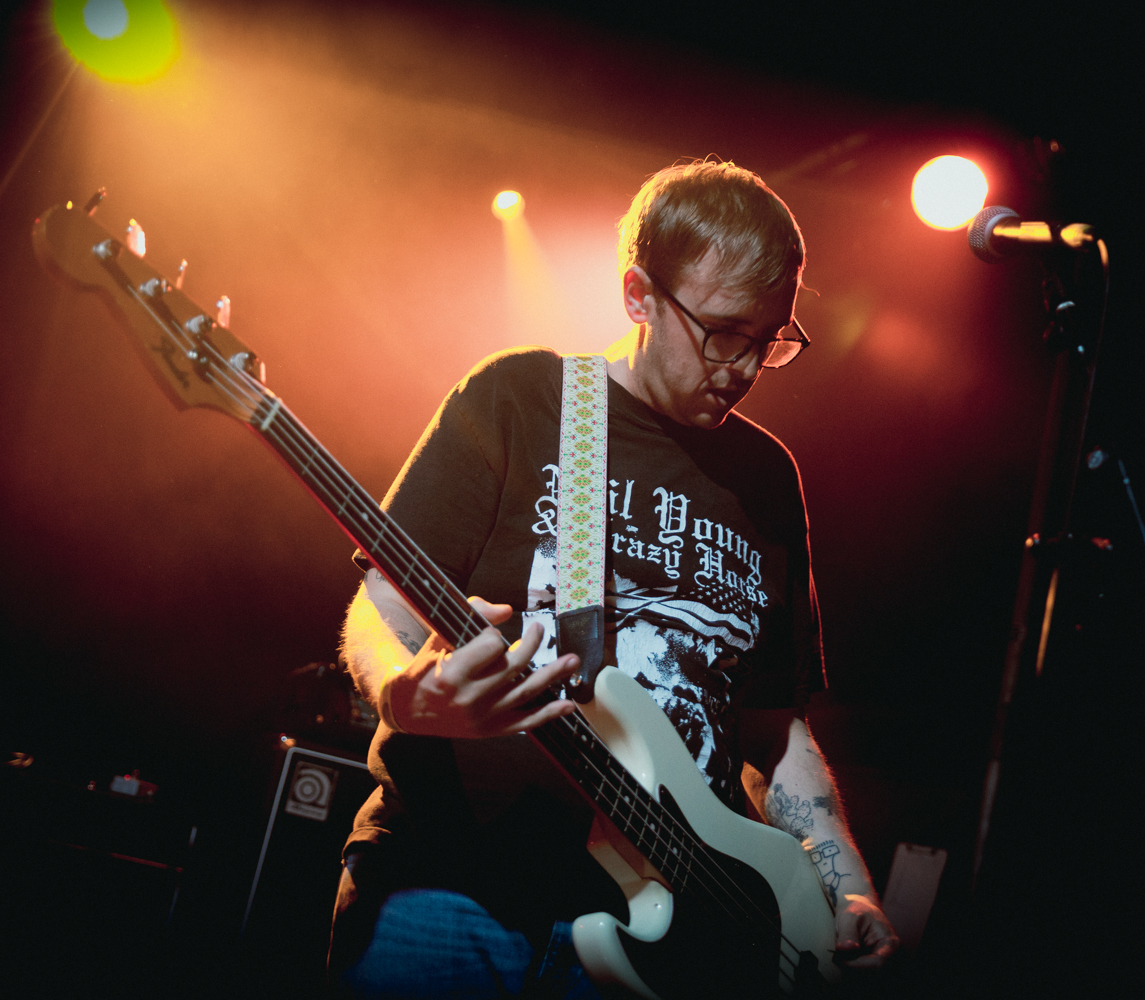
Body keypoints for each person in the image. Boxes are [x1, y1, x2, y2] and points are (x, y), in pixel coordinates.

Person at [331, 160, 898, 998]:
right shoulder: (524, 398)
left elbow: (775, 731)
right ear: (639, 294)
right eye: (722, 332)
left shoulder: (767, 479)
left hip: (675, 935)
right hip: (455, 880)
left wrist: (845, 882)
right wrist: (403, 694)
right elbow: (384, 602)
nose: (742, 368)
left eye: (769, 340)